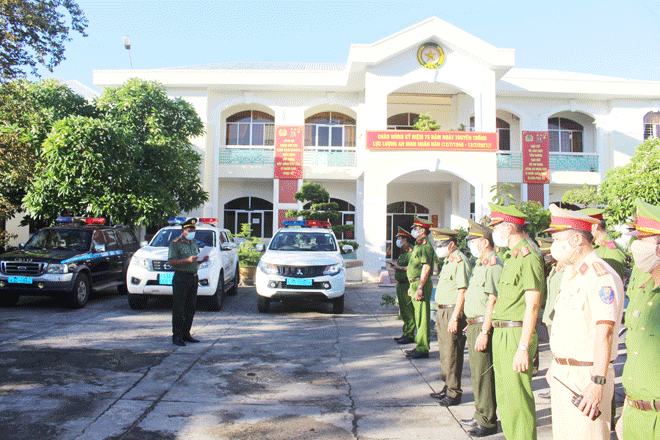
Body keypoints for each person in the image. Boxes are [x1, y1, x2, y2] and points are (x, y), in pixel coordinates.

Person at [545, 205, 624, 440]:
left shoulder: (601, 276)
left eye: (558, 239)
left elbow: (605, 333)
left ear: (578, 239)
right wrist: (557, 364)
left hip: (586, 375)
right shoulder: (572, 274)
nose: (553, 245)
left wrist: (598, 382)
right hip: (563, 372)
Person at [488, 203, 545, 440]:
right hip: (502, 332)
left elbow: (532, 304)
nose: (494, 232)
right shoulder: (511, 256)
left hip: (516, 333)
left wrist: (524, 347)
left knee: (518, 399)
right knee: (505, 397)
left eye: (496, 227)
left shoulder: (528, 256)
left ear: (509, 227)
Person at [621, 198, 660, 440]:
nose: (636, 246)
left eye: (642, 240)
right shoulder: (644, 290)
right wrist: (626, 411)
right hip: (635, 412)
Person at [459, 219, 502, 437]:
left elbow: (493, 300)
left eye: (473, 241)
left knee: (484, 374)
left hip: (484, 327)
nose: (470, 245)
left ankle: (488, 420)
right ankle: (480, 413)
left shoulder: (494, 265)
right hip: (474, 325)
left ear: (484, 243)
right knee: (476, 374)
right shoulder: (482, 264)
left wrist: (484, 331)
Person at [429, 228, 471, 406]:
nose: (438, 247)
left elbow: (463, 291)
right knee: (445, 352)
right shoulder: (448, 261)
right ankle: (447, 386)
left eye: (441, 244)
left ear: (451, 245)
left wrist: (455, 317)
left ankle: (454, 392)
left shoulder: (460, 261)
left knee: (453, 353)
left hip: (452, 312)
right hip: (442, 311)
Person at [168, 218, 209, 346]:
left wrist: (202, 259)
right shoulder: (175, 243)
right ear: (183, 231)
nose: (192, 232)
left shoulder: (194, 242)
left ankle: (186, 333)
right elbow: (172, 262)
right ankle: (176, 335)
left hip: (193, 277)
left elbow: (195, 260)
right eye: (189, 230)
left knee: (191, 307)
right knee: (179, 307)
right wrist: (187, 260)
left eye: (193, 230)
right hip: (181, 278)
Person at [536, 236, 568, 400]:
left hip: (558, 319)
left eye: (547, 253)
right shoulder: (556, 268)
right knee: (555, 356)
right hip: (551, 319)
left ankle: (559, 386)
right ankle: (555, 385)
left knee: (560, 357)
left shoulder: (565, 270)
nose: (545, 256)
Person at [404, 217, 435, 359]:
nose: (413, 231)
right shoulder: (418, 245)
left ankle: (423, 348)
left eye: (415, 229)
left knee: (422, 317)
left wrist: (420, 287)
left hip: (420, 284)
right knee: (418, 316)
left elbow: (426, 268)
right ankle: (419, 344)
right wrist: (412, 285)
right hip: (415, 283)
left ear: (422, 231)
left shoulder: (425, 246)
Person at [580, 208, 627, 281]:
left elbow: (613, 282)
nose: (582, 232)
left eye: (584, 227)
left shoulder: (611, 251)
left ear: (595, 226)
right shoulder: (593, 245)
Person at [391, 226, 415, 344]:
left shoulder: (411, 251)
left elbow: (413, 268)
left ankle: (410, 334)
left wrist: (399, 267)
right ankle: (406, 333)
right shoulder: (403, 252)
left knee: (409, 310)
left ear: (405, 240)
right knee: (404, 311)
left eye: (399, 238)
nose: (398, 240)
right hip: (400, 285)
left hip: (407, 284)